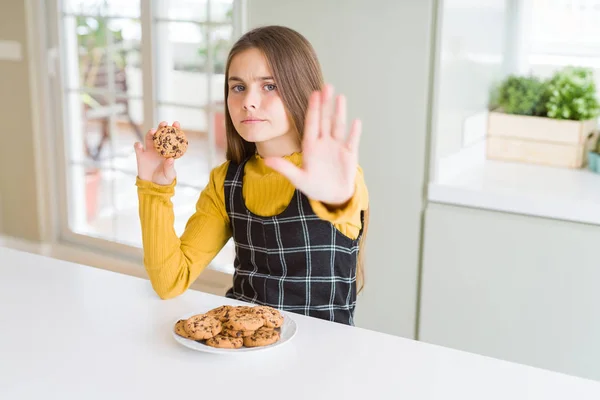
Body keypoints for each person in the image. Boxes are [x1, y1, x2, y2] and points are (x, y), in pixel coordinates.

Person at [134, 25, 369, 325]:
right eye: (238, 87)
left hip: (320, 358)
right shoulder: (225, 182)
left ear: (300, 88)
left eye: (269, 85)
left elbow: (342, 202)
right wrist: (154, 189)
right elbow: (169, 281)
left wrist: (336, 196)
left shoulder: (339, 178)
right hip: (242, 349)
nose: (248, 101)